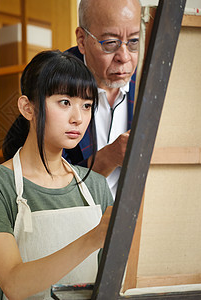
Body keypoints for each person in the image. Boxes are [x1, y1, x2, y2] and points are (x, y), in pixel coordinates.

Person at [0, 50, 113, 300]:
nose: (78, 118)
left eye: (86, 105)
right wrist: (94, 238)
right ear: (27, 107)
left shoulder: (96, 185)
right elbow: (14, 284)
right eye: (65, 102)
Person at [64, 0, 141, 198]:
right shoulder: (53, 82)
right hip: (78, 223)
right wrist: (108, 158)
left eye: (133, 41)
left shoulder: (151, 82)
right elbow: (46, 187)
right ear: (82, 40)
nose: (124, 57)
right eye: (110, 43)